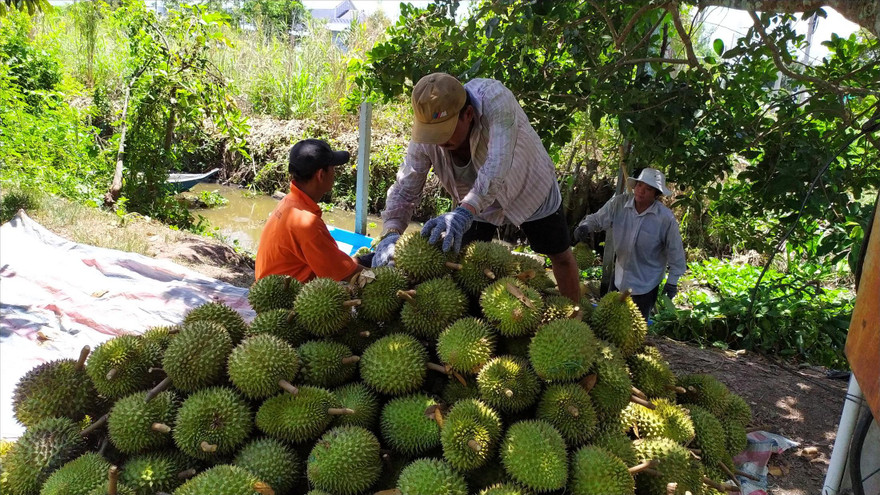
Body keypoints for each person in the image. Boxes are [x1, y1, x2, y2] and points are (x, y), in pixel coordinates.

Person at [371, 72, 580, 303]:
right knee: (465, 265)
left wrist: (463, 212)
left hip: (528, 185)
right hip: (472, 197)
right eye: (433, 135)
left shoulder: (496, 100)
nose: (439, 142)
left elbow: (497, 166)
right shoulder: (426, 135)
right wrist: (390, 233)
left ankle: (575, 316)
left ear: (468, 115)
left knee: (559, 254)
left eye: (445, 133)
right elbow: (405, 187)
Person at [573, 167, 686, 319]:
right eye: (639, 185)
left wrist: (672, 282)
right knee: (607, 320)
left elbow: (675, 252)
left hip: (646, 284)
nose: (641, 191)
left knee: (633, 331)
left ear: (656, 194)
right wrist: (585, 226)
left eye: (648, 189)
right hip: (619, 276)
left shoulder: (665, 219)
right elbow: (598, 219)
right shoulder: (619, 204)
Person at [255, 138, 363, 283]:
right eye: (333, 168)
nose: (335, 173)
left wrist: (363, 260)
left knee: (367, 260)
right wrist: (378, 273)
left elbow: (334, 261)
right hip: (287, 299)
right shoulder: (307, 223)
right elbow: (343, 274)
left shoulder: (289, 202)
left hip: (270, 286)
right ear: (321, 175)